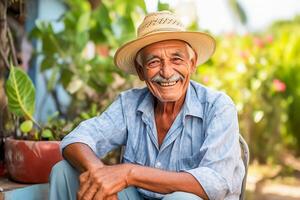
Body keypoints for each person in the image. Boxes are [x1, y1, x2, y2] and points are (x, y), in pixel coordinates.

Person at [49, 10, 245, 200]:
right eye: (154, 62)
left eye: (176, 59)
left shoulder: (218, 106)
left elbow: (215, 184)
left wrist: (129, 173)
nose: (167, 72)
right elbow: (76, 139)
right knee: (64, 172)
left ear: (192, 63)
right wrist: (99, 174)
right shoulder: (129, 103)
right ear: (141, 71)